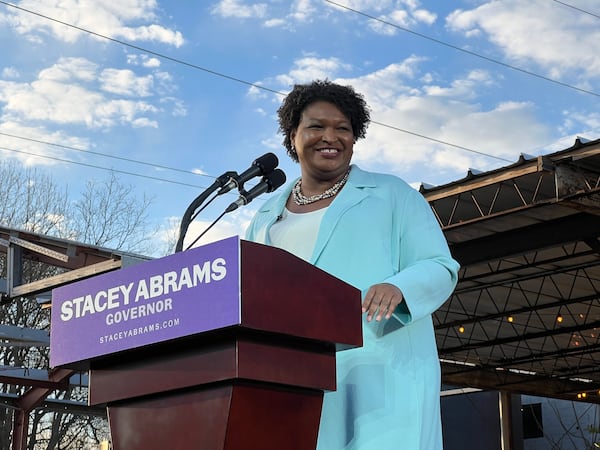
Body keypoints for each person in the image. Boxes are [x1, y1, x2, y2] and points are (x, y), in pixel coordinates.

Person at [245, 79, 460, 450]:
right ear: (292, 135)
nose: (331, 137)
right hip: (293, 378)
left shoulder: (392, 195)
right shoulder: (266, 214)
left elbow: (440, 266)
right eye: (316, 126)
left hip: (379, 371)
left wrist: (400, 287)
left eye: (342, 128)